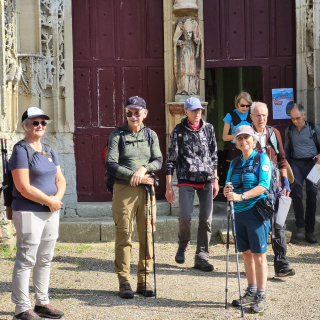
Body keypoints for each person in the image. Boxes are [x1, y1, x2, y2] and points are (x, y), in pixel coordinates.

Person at [9, 107, 66, 320]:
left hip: (51, 210)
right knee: (26, 259)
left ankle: (42, 302)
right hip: (29, 211)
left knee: (45, 259)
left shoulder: (49, 150)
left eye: (43, 122)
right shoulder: (20, 150)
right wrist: (50, 201)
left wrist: (57, 199)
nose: (40, 126)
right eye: (35, 122)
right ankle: (22, 308)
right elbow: (23, 186)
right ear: (25, 126)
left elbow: (60, 179)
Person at [106, 96, 163, 299]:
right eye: (129, 112)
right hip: (124, 189)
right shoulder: (117, 135)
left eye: (137, 112)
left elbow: (158, 159)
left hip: (146, 191)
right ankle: (124, 281)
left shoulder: (151, 135)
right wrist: (134, 176)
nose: (133, 116)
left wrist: (144, 168)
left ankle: (144, 279)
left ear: (145, 113)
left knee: (147, 235)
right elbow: (111, 164)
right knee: (124, 235)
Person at [165, 97, 219, 271]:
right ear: (186, 111)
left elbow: (214, 156)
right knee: (185, 216)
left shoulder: (209, 129)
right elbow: (170, 160)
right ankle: (183, 244)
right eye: (194, 110)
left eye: (200, 110)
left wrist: (216, 179)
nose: (197, 113)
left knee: (206, 219)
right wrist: (168, 187)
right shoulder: (178, 131)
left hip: (207, 180)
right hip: (186, 179)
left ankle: (202, 256)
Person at [224, 125, 272, 313]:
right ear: (236, 142)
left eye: (247, 138)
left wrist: (242, 196)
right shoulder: (234, 163)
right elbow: (228, 184)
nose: (243, 141)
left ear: (253, 139)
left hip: (256, 212)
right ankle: (250, 291)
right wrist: (228, 190)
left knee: (259, 255)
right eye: (239, 138)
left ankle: (261, 294)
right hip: (239, 213)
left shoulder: (262, 159)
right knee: (246, 253)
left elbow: (264, 186)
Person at [250, 102, 295, 277]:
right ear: (251, 117)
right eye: (258, 115)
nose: (261, 119)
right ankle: (256, 265)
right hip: (255, 188)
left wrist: (285, 182)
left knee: (279, 225)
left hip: (274, 188)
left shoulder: (274, 133)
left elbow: (282, 160)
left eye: (264, 115)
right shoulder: (246, 135)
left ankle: (281, 265)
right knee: (258, 227)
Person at [284, 103, 320, 244]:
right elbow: (286, 149)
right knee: (297, 193)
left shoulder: (313, 128)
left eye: (298, 118)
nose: (295, 121)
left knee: (312, 194)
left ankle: (310, 231)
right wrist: (283, 161)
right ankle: (300, 227)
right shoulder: (289, 130)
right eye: (292, 118)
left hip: (313, 164)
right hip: (296, 164)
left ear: (304, 115)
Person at [222, 92, 253, 161]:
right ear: (237, 104)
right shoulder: (230, 115)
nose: (245, 108)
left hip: (250, 148)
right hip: (236, 148)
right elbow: (225, 137)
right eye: (242, 105)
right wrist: (240, 135)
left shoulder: (252, 114)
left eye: (247, 105)